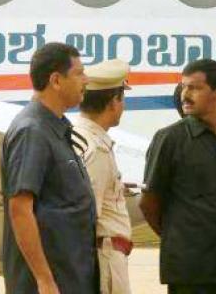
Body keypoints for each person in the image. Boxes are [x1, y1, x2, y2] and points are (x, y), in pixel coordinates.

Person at [140, 59, 216, 294]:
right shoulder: (169, 139)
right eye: (183, 87)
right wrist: (181, 238)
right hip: (190, 273)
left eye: (194, 87)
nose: (185, 94)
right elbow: (149, 203)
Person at [0, 42, 95, 293]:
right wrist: (44, 280)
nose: (86, 80)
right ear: (55, 80)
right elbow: (20, 208)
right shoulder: (32, 131)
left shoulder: (57, 128)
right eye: (79, 73)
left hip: (71, 277)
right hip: (49, 284)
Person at [72, 59, 133, 294]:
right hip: (104, 258)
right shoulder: (95, 149)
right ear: (113, 102)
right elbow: (88, 215)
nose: (123, 106)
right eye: (122, 98)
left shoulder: (80, 137)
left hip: (100, 256)